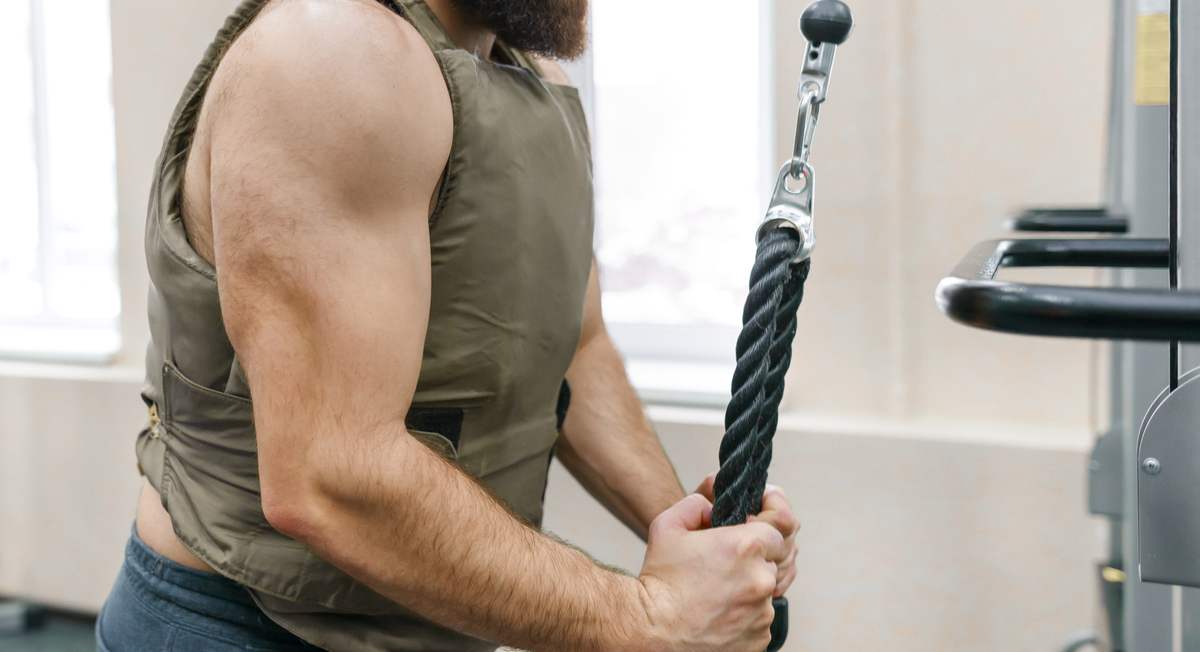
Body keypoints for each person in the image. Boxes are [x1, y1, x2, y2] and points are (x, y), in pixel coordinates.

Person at [95, 0, 800, 650]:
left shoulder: (533, 84)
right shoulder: (331, 55)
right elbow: (333, 475)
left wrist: (704, 539)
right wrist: (650, 619)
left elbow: (576, 352)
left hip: (434, 625)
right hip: (244, 628)